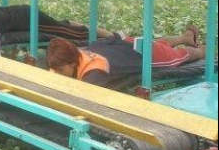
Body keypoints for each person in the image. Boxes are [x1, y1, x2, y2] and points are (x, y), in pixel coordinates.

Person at [46, 28, 205, 87]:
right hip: (124, 46)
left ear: (72, 63)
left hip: (144, 56)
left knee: (180, 56)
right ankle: (185, 37)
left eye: (59, 70)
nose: (55, 73)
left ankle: (206, 50)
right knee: (157, 43)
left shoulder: (93, 73)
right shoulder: (75, 53)